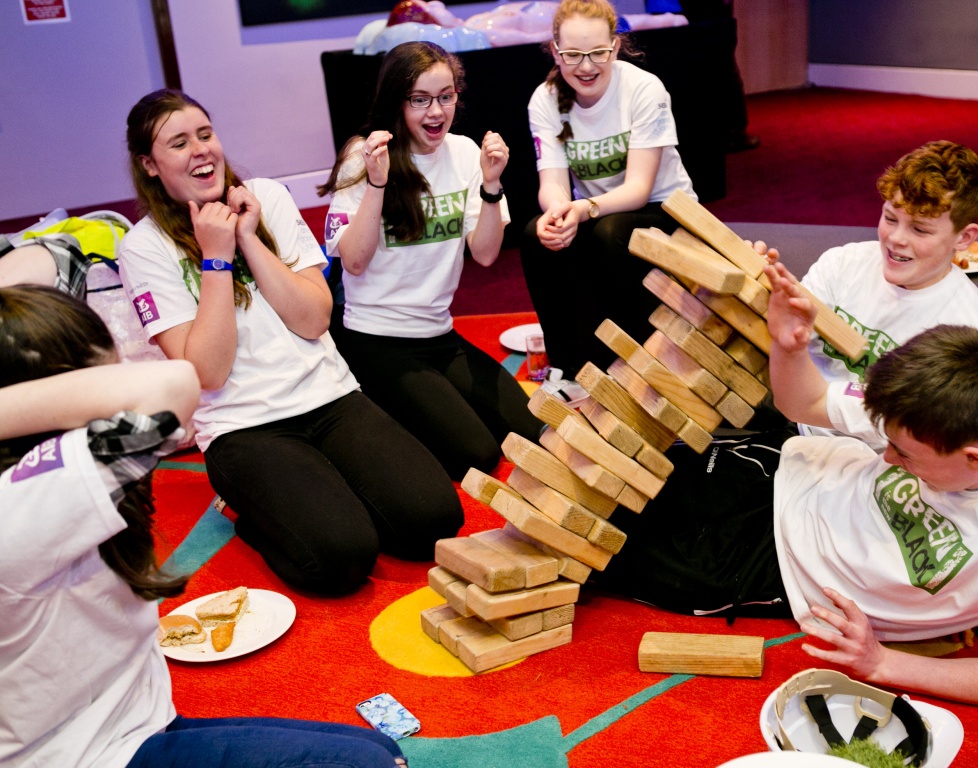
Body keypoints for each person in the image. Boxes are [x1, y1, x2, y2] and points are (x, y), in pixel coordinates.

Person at [0, 286, 409, 768]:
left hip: (134, 720)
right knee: (374, 765)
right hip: (88, 755)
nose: (116, 365)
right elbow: (173, 385)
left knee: (383, 749)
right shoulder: (25, 499)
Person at [117, 89, 462, 595]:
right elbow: (207, 373)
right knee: (342, 560)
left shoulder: (266, 198)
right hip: (245, 428)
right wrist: (215, 259)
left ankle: (322, 495)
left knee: (433, 521)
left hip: (330, 397)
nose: (201, 150)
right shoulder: (142, 246)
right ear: (149, 164)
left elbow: (315, 319)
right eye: (179, 143)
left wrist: (249, 238)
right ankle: (252, 515)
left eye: (205, 134)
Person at [599, 306, 978, 708]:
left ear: (974, 458)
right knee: (604, 465)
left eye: (905, 454)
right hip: (779, 465)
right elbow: (807, 401)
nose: (888, 458)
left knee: (594, 546)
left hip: (770, 566)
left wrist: (884, 664)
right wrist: (790, 345)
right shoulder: (939, 403)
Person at [318, 41, 543, 480]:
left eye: (445, 96)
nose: (435, 112)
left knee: (531, 431)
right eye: (420, 100)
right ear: (397, 102)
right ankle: (373, 409)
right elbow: (355, 263)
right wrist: (378, 185)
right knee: (475, 454)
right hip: (376, 340)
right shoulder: (363, 158)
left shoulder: (464, 154)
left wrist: (492, 185)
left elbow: (485, 253)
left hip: (439, 335)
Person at [766, 140, 978, 448]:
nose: (895, 239)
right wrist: (755, 286)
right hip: (801, 427)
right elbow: (785, 346)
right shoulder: (843, 264)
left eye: (920, 230)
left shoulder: (971, 337)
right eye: (890, 218)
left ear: (964, 237)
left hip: (883, 467)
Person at [519, 0, 698, 388]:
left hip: (666, 212)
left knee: (610, 234)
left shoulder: (643, 89)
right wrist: (558, 214)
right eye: (572, 55)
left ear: (615, 47)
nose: (586, 66)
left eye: (597, 53)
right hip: (598, 213)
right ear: (555, 52)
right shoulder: (545, 99)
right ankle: (570, 368)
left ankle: (627, 365)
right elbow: (551, 183)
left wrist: (583, 209)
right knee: (537, 235)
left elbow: (639, 189)